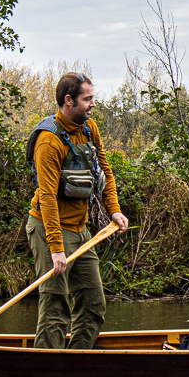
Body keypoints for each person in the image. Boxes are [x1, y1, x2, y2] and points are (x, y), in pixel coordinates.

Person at [26, 72, 128, 349]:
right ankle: (48, 370)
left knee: (93, 304)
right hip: (50, 230)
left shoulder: (89, 129)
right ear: (68, 100)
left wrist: (114, 211)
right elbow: (47, 196)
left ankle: (76, 362)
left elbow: (104, 171)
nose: (92, 104)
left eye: (92, 98)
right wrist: (56, 248)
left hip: (81, 231)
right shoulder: (48, 142)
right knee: (55, 307)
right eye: (88, 99)